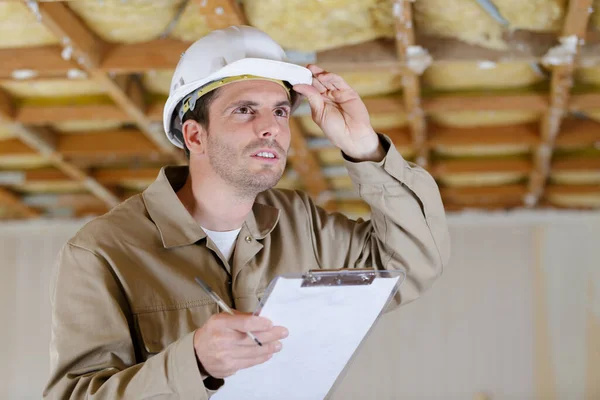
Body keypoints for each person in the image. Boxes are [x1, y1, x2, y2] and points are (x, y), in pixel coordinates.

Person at [43, 25, 450, 399]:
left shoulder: (300, 223)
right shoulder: (101, 252)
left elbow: (411, 266)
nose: (270, 127)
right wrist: (193, 363)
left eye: (279, 111)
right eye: (244, 110)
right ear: (194, 134)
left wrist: (364, 148)